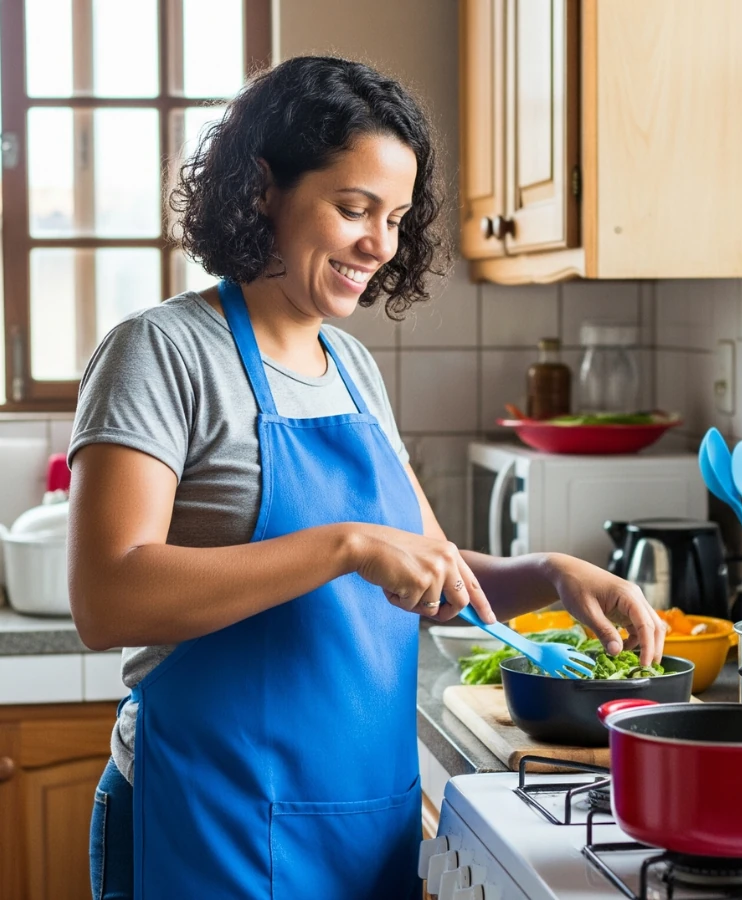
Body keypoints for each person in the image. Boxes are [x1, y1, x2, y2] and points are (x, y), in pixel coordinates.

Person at [68, 55, 666, 900]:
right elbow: (106, 597)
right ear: (262, 189)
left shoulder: (350, 367)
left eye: (394, 217)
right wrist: (344, 546)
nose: (380, 245)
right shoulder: (163, 352)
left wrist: (551, 574)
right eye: (354, 209)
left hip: (362, 828)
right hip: (206, 821)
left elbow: (431, 574)